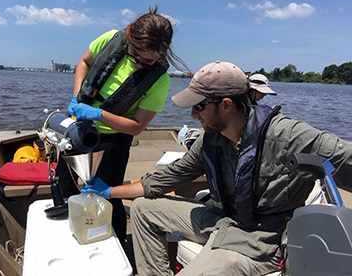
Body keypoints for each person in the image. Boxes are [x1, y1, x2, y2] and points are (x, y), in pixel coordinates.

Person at [82, 60, 352, 275]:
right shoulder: (210, 140)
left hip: (258, 239)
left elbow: (345, 159)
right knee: (143, 209)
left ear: (225, 106)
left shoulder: (287, 135)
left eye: (198, 106)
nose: (192, 114)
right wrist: (107, 192)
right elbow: (167, 177)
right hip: (220, 218)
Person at [68, 6, 189, 243]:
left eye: (149, 61)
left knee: (107, 197)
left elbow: (136, 126)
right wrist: (77, 99)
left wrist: (97, 114)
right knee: (68, 185)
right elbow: (84, 62)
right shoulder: (110, 39)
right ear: (130, 35)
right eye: (136, 56)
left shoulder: (159, 80)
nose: (139, 64)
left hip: (114, 138)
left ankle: (116, 245)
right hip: (79, 127)